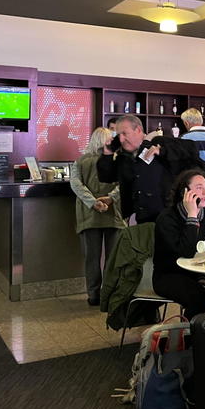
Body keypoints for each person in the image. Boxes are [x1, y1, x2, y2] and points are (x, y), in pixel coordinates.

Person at [153, 169, 205, 319]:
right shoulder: (167, 219)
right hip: (170, 275)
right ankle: (191, 339)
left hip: (201, 273)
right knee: (199, 297)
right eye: (198, 187)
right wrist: (192, 216)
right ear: (185, 192)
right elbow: (186, 252)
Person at [97, 114, 202, 224]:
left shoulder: (159, 142)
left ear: (137, 130)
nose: (122, 139)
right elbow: (106, 177)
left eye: (124, 133)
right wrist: (107, 154)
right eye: (119, 135)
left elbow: (192, 149)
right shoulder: (123, 157)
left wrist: (163, 151)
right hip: (140, 219)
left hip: (166, 217)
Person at [70, 127, 126, 307]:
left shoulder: (81, 161)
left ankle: (93, 295)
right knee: (112, 258)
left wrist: (93, 202)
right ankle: (110, 294)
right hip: (114, 214)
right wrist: (110, 199)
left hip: (89, 216)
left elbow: (76, 185)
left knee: (92, 258)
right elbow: (124, 185)